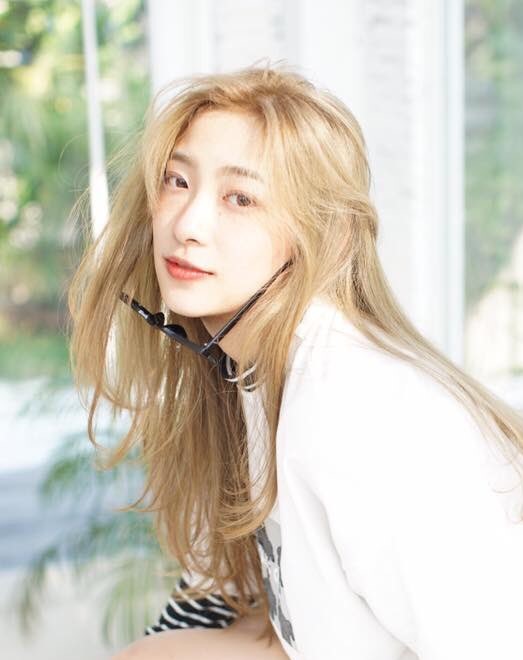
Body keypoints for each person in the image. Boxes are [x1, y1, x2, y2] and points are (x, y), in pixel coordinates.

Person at [67, 62, 523, 660]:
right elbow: (229, 596)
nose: (188, 225)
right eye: (177, 181)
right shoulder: (252, 370)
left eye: (240, 198)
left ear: (326, 238)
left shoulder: (357, 413)